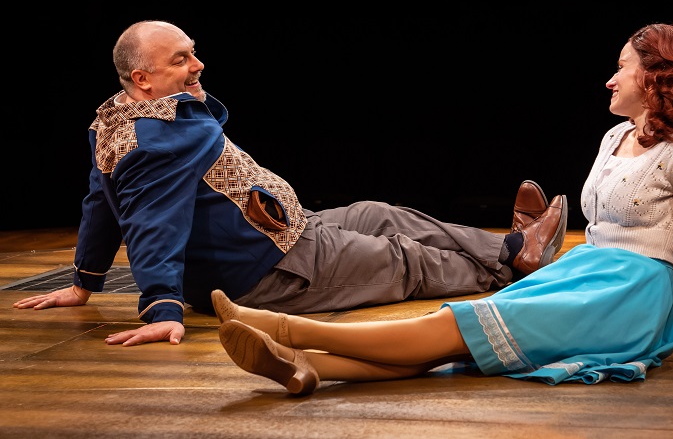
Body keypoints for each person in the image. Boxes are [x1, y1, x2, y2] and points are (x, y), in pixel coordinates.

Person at [208, 22, 673, 395]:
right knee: (456, 346)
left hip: (629, 293)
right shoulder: (614, 138)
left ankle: (279, 327)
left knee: (450, 326)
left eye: (622, 68)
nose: (610, 79)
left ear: (657, 76)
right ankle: (304, 365)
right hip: (587, 269)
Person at [11, 20, 568, 347]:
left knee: (379, 212)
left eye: (194, 54)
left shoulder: (111, 120)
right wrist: (161, 308)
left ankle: (514, 247)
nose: (198, 66)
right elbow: (152, 220)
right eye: (182, 61)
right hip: (268, 271)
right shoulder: (162, 135)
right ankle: (517, 274)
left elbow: (98, 203)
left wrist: (85, 281)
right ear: (144, 79)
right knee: (402, 258)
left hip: (286, 232)